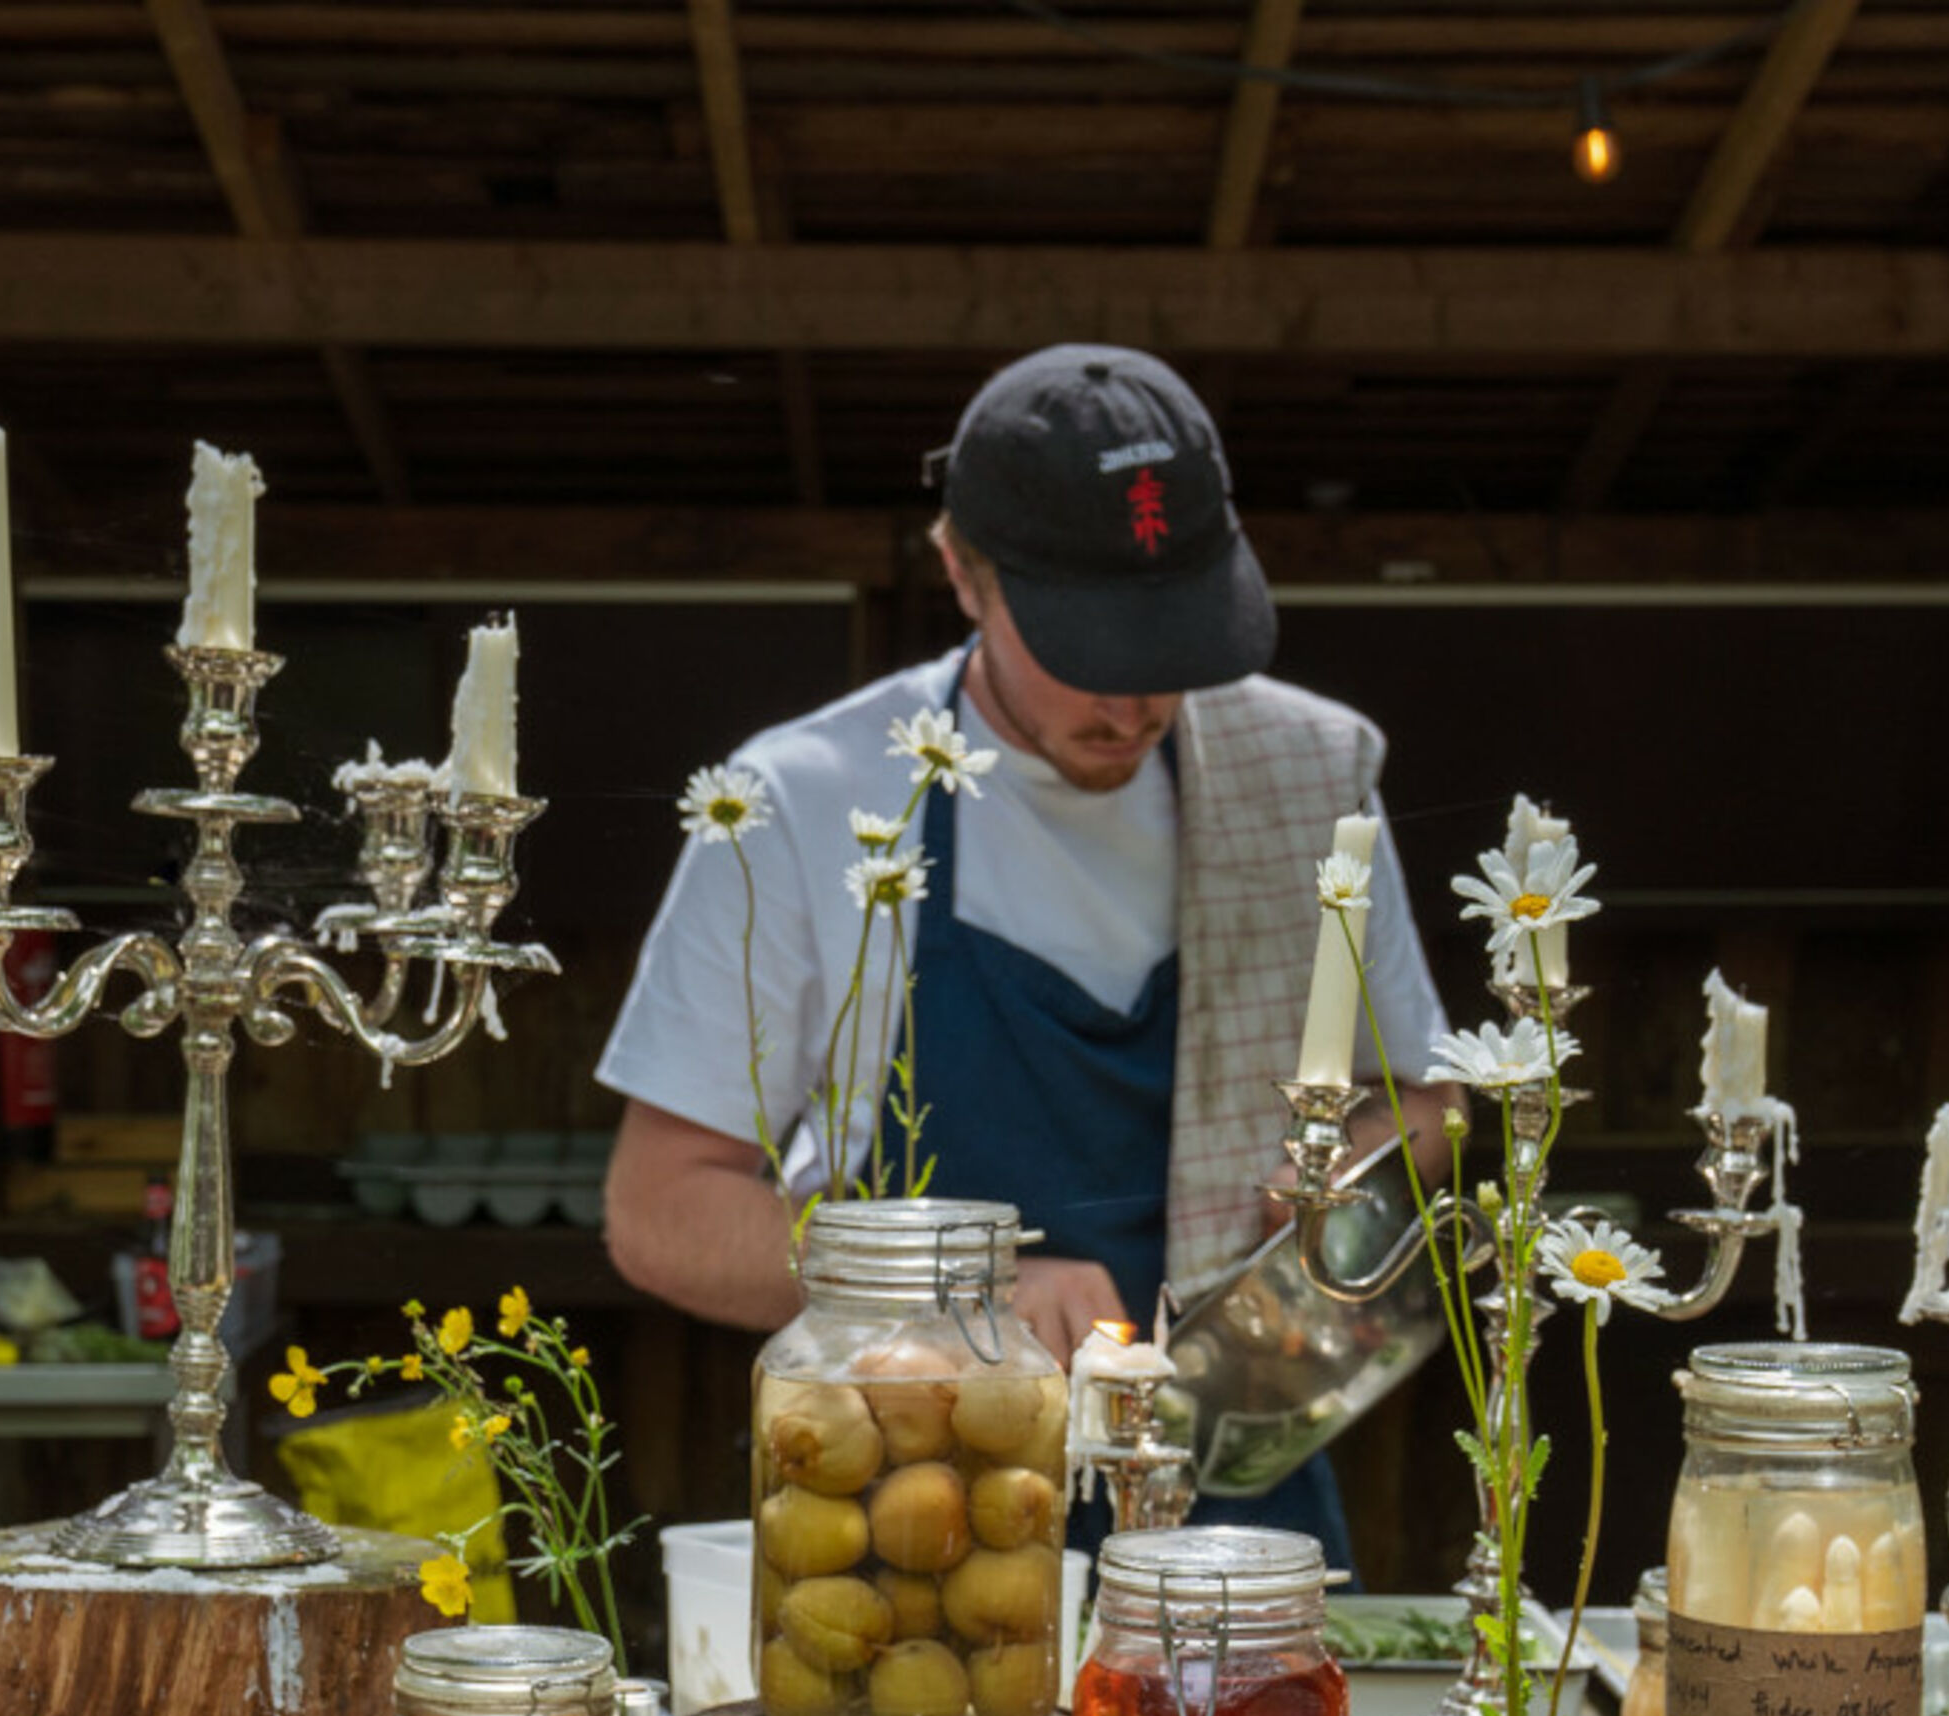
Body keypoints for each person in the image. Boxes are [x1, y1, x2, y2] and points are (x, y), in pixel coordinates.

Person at [596, 343, 1450, 1557]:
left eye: (1175, 643)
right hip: (893, 1505)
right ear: (961, 572)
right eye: (1088, 650)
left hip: (1235, 1500)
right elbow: (660, 1210)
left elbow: (1425, 1101)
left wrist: (1335, 1181)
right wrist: (955, 1303)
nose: (1133, 704)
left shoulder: (1305, 774)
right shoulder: (804, 799)